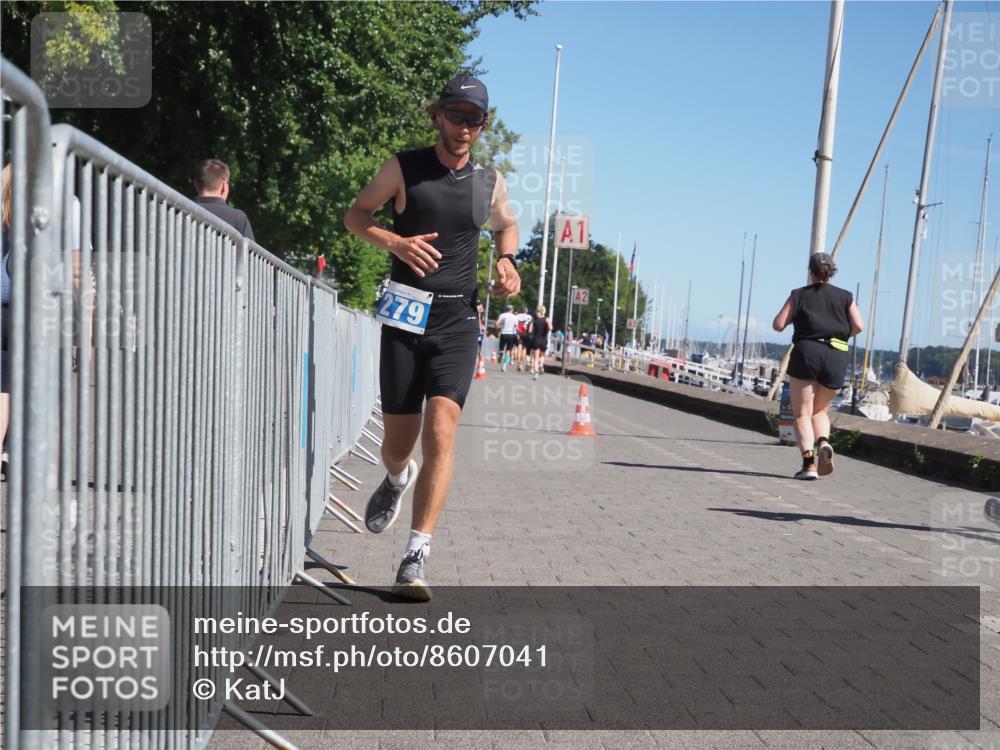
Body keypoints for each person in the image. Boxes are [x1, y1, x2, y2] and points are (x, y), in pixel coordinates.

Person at [344, 74, 520, 600]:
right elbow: (355, 215)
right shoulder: (404, 167)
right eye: (456, 115)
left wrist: (507, 259)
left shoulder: (490, 182)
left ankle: (415, 555)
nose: (463, 127)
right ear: (438, 114)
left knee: (442, 429)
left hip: (457, 322)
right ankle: (397, 478)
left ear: (482, 126)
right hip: (404, 315)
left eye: (474, 119)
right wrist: (394, 242)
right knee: (398, 443)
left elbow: (506, 225)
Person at [772, 252, 864, 480]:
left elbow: (778, 324)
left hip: (807, 352)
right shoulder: (846, 297)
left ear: (810, 272)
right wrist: (839, 334)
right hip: (836, 355)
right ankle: (824, 441)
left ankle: (809, 465)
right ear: (832, 272)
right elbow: (859, 326)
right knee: (820, 410)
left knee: (802, 414)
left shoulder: (798, 295)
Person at [193, 159, 255, 240]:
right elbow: (249, 251)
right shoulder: (238, 218)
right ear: (223, 185)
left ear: (196, 184)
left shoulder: (178, 209)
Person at [528, 304, 551, 380]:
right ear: (544, 311)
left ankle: (536, 374)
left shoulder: (534, 319)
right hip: (544, 339)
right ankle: (541, 365)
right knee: (542, 356)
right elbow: (551, 328)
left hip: (536, 339)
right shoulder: (547, 319)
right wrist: (547, 325)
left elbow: (530, 330)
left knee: (536, 358)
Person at [496, 304, 519, 372]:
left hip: (503, 333)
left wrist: (498, 327)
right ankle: (504, 366)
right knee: (508, 351)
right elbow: (517, 327)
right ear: (512, 310)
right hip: (510, 334)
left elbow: (497, 323)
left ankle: (500, 355)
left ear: (506, 309)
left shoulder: (502, 315)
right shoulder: (514, 317)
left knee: (501, 348)